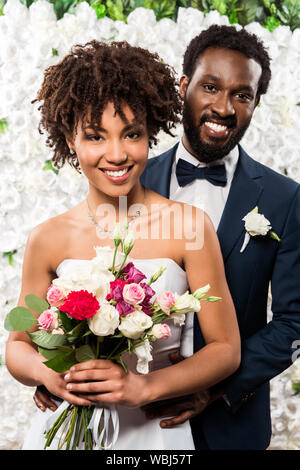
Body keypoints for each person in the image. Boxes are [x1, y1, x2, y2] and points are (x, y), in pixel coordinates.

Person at [5, 40, 240, 450]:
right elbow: (18, 346)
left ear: (150, 133)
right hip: (63, 433)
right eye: (96, 137)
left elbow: (225, 349)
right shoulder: (48, 237)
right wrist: (48, 374)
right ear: (70, 139)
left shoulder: (190, 225)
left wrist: (145, 387)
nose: (116, 154)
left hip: (154, 436)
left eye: (131, 134)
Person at [139, 25, 300, 450]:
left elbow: (294, 319)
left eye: (242, 95)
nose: (224, 107)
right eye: (210, 87)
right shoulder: (131, 181)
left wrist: (215, 387)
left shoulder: (285, 198)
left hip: (233, 424)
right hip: (136, 418)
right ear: (184, 86)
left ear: (256, 103)